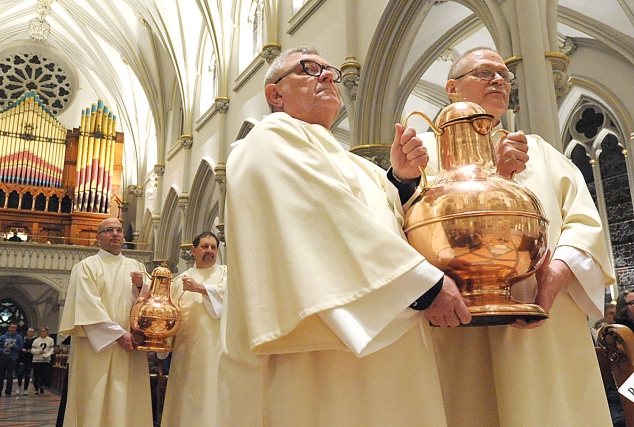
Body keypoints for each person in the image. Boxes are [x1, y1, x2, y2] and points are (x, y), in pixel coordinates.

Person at [219, 46, 471, 427]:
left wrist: (400, 180)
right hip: (324, 351)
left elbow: (379, 218)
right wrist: (427, 287)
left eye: (330, 71)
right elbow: (328, 222)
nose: (326, 76)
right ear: (275, 94)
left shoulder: (350, 160)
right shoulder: (270, 138)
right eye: (309, 69)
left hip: (388, 331)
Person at [415, 47, 615, 427]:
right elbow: (411, 221)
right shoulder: (424, 153)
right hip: (461, 323)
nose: (498, 80)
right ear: (452, 88)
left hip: (546, 322)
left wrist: (557, 273)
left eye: (505, 75)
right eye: (484, 72)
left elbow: (584, 221)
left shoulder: (542, 152)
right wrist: (496, 174)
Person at [58, 217, 153, 427]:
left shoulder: (136, 266)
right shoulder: (85, 267)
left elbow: (152, 303)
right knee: (94, 398)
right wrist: (118, 334)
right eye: (109, 230)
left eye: (119, 230)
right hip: (96, 347)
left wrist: (143, 286)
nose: (115, 234)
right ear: (98, 237)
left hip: (131, 345)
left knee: (129, 399)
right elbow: (87, 306)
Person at [159, 231, 227, 427]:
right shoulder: (180, 281)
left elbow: (230, 299)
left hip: (218, 351)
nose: (210, 251)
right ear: (193, 250)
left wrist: (201, 289)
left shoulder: (225, 274)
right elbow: (168, 314)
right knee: (186, 402)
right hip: (186, 352)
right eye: (205, 246)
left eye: (213, 247)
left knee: (215, 399)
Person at [0, 322, 23, 397]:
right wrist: (2, 351)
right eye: (12, 327)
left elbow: (20, 347)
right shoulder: (3, 337)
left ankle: (8, 392)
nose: (13, 329)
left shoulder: (18, 337)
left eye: (15, 328)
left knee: (10, 376)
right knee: (1, 375)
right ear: (9, 328)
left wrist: (13, 346)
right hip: (2, 358)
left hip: (12, 358)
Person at [30, 326, 54, 396]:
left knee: (44, 375)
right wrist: (38, 351)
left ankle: (42, 386)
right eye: (41, 331)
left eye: (44, 331)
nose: (43, 333)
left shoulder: (50, 340)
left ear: (47, 332)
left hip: (45, 360)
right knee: (36, 375)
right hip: (36, 360)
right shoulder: (36, 340)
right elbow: (32, 350)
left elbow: (51, 349)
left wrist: (46, 355)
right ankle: (36, 390)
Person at [16, 327, 35, 395]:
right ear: (27, 332)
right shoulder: (23, 339)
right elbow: (19, 347)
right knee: (20, 373)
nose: (30, 333)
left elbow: (35, 349)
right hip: (22, 358)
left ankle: (25, 389)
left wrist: (29, 350)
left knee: (27, 374)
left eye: (32, 332)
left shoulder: (35, 340)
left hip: (30, 359)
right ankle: (19, 386)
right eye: (29, 332)